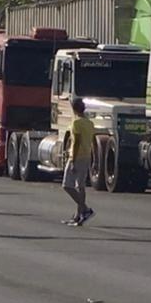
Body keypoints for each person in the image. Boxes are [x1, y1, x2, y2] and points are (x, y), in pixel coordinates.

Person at [61, 97, 95, 226]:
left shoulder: (76, 123)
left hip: (77, 156)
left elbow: (76, 143)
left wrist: (73, 160)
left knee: (66, 185)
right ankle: (78, 215)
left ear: (73, 108)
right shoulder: (89, 123)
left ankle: (85, 209)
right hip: (86, 155)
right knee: (80, 186)